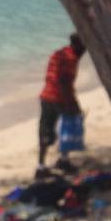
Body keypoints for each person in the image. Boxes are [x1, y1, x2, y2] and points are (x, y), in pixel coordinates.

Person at [37, 33, 86, 175]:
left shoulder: (59, 53)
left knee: (46, 130)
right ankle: (56, 162)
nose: (85, 51)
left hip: (46, 96)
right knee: (66, 129)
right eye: (84, 47)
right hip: (57, 98)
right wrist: (72, 104)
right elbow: (63, 83)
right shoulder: (70, 58)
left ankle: (42, 164)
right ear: (78, 45)